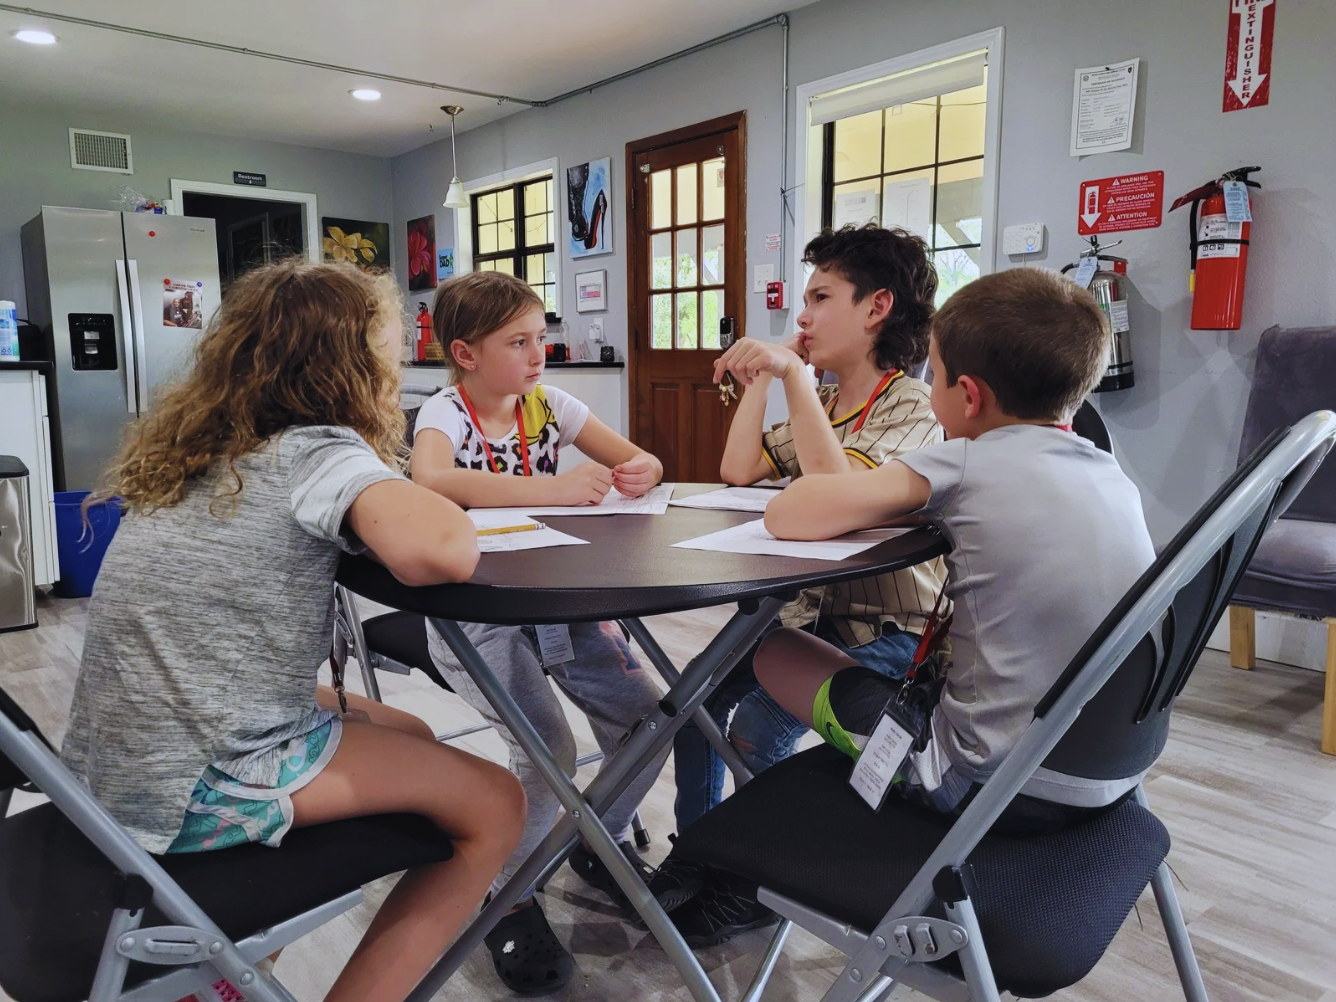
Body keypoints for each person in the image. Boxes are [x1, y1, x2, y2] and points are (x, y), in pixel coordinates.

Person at [60, 260, 526, 1002]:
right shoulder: (318, 451)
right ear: (357, 366)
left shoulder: (199, 455)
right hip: (200, 783)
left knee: (408, 727)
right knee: (498, 801)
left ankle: (248, 958)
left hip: (112, 767)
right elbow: (440, 548)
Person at [756, 266, 1156, 827]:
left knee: (778, 652)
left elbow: (788, 512)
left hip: (975, 783)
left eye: (934, 375)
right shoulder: (1111, 474)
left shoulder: (966, 461)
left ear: (968, 396)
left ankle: (762, 836)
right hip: (1106, 773)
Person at [657, 225, 947, 946]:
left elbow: (836, 489)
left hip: (887, 635)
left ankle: (760, 879)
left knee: (757, 726)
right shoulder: (827, 404)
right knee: (690, 704)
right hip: (805, 624)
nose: (804, 315)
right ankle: (703, 851)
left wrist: (790, 377)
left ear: (878, 307)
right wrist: (765, 378)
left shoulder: (912, 404)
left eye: (821, 297)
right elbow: (738, 469)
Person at [410, 270, 668, 995]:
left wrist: (640, 470)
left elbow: (636, 459)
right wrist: (548, 489)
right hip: (476, 616)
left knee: (649, 718)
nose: (538, 355)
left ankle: (601, 837)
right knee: (549, 748)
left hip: (558, 602)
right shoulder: (445, 413)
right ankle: (512, 893)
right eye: (518, 342)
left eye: (540, 339)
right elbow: (430, 482)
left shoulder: (549, 404)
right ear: (465, 353)